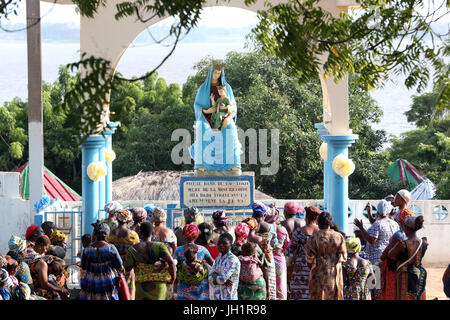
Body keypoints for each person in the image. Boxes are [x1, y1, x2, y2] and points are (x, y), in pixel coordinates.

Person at [191, 60, 241, 175]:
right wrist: (207, 111)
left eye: (219, 73)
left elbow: (232, 106)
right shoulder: (203, 88)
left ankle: (233, 165)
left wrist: (229, 117)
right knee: (203, 128)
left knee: (230, 128)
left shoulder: (226, 87)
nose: (216, 75)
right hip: (206, 117)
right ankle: (201, 166)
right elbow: (197, 105)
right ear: (210, 73)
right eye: (215, 73)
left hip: (224, 116)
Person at [354, 199, 399, 300]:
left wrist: (361, 228)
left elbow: (371, 240)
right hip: (388, 259)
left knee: (374, 286)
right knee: (383, 285)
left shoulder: (378, 224)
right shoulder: (394, 224)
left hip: (375, 261)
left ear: (378, 212)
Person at [123, 222, 177, 300]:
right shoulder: (160, 246)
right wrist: (172, 279)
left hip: (140, 287)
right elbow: (171, 262)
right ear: (153, 233)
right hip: (159, 287)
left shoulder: (133, 249)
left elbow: (127, 268)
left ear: (140, 232)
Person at [304, 211, 347, 300]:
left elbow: (309, 259)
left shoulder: (313, 238)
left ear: (318, 223)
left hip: (317, 274)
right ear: (330, 223)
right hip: (333, 273)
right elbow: (343, 257)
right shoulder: (339, 237)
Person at [80, 221, 124, 300]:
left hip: (91, 282)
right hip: (108, 282)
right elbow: (119, 265)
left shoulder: (86, 250)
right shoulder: (111, 248)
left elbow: (84, 267)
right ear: (107, 235)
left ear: (95, 235)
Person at [379, 205, 415, 300]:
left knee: (391, 292)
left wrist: (382, 259)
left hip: (393, 270)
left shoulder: (398, 235)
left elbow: (386, 254)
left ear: (401, 222)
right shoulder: (416, 240)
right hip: (407, 271)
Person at [285, 205, 320, 300]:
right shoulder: (321, 232)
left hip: (301, 267)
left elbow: (290, 251)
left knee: (299, 294)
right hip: (318, 267)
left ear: (306, 216)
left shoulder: (299, 231)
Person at [388, 215, 427, 300]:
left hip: (405, 277)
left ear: (406, 228)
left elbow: (390, 255)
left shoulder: (402, 244)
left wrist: (396, 248)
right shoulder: (423, 243)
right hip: (419, 275)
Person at [174, 224, 214, 300]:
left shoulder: (179, 250)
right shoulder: (203, 250)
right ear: (196, 236)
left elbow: (174, 264)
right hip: (201, 288)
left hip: (183, 286)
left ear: (185, 235)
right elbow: (213, 264)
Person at [107, 209, 139, 299]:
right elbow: (136, 253)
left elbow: (108, 251)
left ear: (117, 220)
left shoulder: (111, 234)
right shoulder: (133, 235)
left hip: (114, 269)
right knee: (129, 293)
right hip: (128, 269)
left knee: (115, 292)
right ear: (129, 221)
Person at [233, 221, 267, 300]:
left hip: (240, 286)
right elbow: (264, 267)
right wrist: (268, 287)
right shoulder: (254, 248)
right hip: (257, 284)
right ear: (247, 234)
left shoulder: (232, 249)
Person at [252, 201, 278, 300]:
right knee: (270, 286)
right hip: (268, 259)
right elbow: (274, 244)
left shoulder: (251, 227)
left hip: (253, 260)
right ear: (264, 215)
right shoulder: (271, 227)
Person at [265, 204, 290, 300]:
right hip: (279, 259)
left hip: (266, 259)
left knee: (268, 283)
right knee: (281, 283)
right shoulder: (282, 229)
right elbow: (287, 246)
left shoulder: (262, 229)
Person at [209, 232, 241, 300]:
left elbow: (222, 279)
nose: (221, 245)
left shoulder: (233, 260)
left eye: (224, 243)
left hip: (229, 297)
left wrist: (215, 277)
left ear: (231, 245)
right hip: (217, 296)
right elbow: (210, 276)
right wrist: (219, 280)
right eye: (219, 243)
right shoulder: (218, 258)